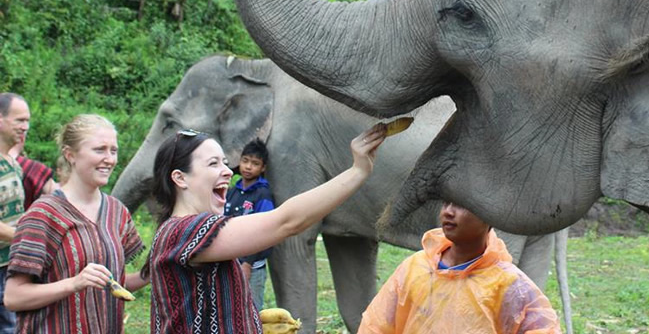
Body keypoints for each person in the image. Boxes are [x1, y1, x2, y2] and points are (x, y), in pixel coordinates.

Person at [144, 124, 386, 333]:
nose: (228, 171)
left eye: (226, 163)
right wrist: (357, 171)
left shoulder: (178, 232)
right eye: (213, 164)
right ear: (180, 178)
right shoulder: (183, 232)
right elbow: (287, 222)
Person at [3, 114, 147, 333]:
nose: (109, 159)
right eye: (99, 149)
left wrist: (152, 271)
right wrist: (74, 283)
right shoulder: (43, 214)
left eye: (113, 150)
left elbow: (114, 284)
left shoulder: (118, 213)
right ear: (70, 155)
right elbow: (14, 297)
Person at [358, 202, 562, 334]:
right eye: (446, 203)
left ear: (491, 216)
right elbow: (376, 326)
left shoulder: (509, 284)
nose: (448, 212)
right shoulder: (415, 268)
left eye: (462, 205)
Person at [223, 138, 275, 311]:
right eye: (245, 161)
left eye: (255, 163)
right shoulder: (232, 192)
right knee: (228, 308)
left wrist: (248, 264)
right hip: (228, 262)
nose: (248, 167)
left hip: (252, 266)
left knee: (250, 309)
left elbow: (265, 231)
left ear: (263, 168)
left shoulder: (263, 194)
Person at [0, 94, 28, 333]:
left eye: (27, 121)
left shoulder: (11, 162)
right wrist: (27, 238)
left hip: (11, 263)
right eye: (19, 120)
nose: (25, 127)